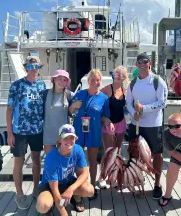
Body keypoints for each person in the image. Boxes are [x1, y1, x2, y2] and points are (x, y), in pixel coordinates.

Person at [126, 53, 168, 199]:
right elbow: (128, 103)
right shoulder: (132, 84)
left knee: (157, 155)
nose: (142, 64)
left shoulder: (158, 81)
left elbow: (162, 103)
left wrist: (143, 109)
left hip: (153, 125)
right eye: (140, 62)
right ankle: (137, 180)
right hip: (136, 125)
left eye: (145, 61)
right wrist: (133, 113)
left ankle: (157, 183)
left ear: (149, 63)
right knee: (134, 154)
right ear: (136, 65)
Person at [6, 56, 46, 209]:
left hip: (37, 130)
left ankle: (36, 189)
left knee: (36, 159)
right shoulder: (16, 85)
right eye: (30, 66)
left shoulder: (42, 85)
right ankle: (20, 193)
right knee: (19, 161)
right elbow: (9, 110)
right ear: (25, 67)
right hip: (19, 131)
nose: (34, 69)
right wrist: (10, 133)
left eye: (36, 66)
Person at [69, 69, 113, 200]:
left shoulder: (104, 98)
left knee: (93, 160)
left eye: (98, 80)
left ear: (101, 81)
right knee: (78, 161)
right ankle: (78, 187)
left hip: (94, 131)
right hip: (78, 131)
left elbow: (105, 116)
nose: (95, 82)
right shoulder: (80, 94)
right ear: (88, 81)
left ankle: (92, 187)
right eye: (92, 80)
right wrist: (73, 106)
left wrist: (109, 123)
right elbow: (70, 112)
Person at [36, 124, 94, 216]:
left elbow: (85, 174)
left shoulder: (78, 150)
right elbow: (55, 190)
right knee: (43, 206)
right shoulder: (51, 157)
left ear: (75, 139)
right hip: (50, 186)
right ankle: (50, 207)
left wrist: (71, 189)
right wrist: (64, 213)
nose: (69, 141)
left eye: (72, 137)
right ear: (59, 140)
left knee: (89, 190)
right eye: (65, 138)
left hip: (67, 183)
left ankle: (75, 199)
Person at [42, 70, 73, 154]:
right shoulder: (45, 94)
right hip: (48, 135)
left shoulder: (70, 95)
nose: (62, 82)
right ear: (54, 80)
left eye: (64, 80)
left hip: (64, 135)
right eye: (59, 79)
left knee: (63, 162)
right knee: (50, 162)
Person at [101, 66, 129, 151]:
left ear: (125, 77)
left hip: (121, 122)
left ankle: (117, 164)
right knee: (109, 151)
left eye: (122, 74)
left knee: (118, 150)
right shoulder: (106, 89)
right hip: (108, 122)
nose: (120, 76)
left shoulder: (125, 91)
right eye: (118, 73)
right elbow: (98, 105)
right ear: (114, 75)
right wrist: (104, 119)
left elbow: (126, 107)